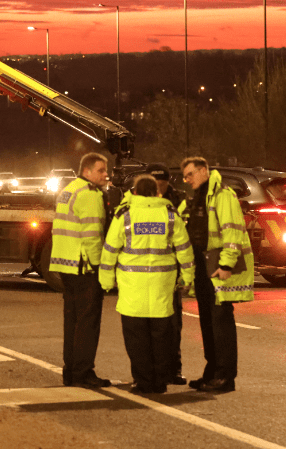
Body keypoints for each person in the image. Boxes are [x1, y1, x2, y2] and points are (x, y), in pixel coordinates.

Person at [100, 175, 194, 394]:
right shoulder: (170, 216)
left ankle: (143, 381)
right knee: (162, 337)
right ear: (156, 193)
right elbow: (184, 251)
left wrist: (105, 281)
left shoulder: (125, 215)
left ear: (134, 192)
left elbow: (110, 249)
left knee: (136, 338)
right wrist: (187, 279)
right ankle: (159, 381)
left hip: (133, 287)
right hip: (162, 285)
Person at [180, 156, 254, 393]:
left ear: (203, 171)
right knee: (208, 322)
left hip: (217, 266)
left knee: (221, 322)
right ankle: (211, 372)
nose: (186, 179)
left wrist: (226, 265)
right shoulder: (199, 197)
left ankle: (225, 376)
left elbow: (231, 232)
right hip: (203, 267)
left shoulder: (223, 195)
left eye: (190, 174)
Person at [50, 152, 112, 388]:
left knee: (73, 320)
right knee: (88, 323)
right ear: (87, 171)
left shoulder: (69, 189)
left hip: (66, 265)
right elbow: (92, 236)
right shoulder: (89, 195)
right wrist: (100, 268)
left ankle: (71, 371)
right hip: (84, 266)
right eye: (101, 170)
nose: (106, 175)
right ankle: (83, 372)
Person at [145, 162, 187, 385]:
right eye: (155, 184)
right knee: (146, 325)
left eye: (162, 184)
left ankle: (173, 369)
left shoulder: (178, 201)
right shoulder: (136, 200)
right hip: (142, 274)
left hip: (170, 272)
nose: (158, 189)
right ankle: (149, 369)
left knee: (172, 324)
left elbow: (184, 239)